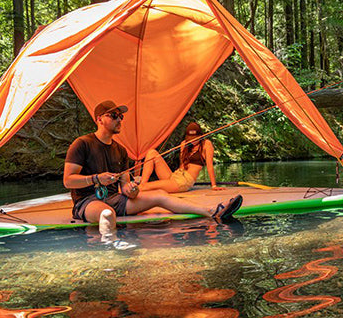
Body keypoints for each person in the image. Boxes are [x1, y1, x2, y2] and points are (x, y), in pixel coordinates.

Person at [63, 101, 242, 244]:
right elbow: (68, 181)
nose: (120, 120)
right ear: (99, 119)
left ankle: (212, 211)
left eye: (121, 116)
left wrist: (131, 190)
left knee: (160, 195)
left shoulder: (121, 151)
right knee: (107, 214)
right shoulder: (82, 144)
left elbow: (125, 185)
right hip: (88, 201)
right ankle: (112, 247)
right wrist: (95, 178)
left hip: (115, 200)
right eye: (114, 116)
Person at [138, 122, 223, 193]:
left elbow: (210, 166)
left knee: (147, 187)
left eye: (195, 138)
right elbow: (182, 164)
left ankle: (139, 188)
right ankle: (142, 182)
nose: (193, 140)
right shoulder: (184, 144)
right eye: (191, 138)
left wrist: (214, 185)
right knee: (152, 152)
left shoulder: (206, 144)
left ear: (200, 135)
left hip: (185, 181)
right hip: (175, 175)